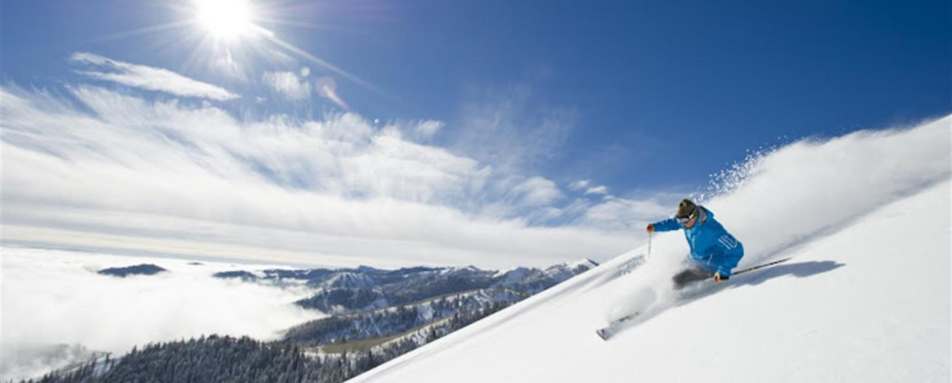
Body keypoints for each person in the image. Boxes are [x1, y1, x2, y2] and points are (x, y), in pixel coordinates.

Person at [647, 199, 744, 289]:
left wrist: (723, 271)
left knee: (677, 279)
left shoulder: (712, 230)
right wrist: (655, 227)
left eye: (684, 221)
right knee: (670, 271)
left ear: (693, 216)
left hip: (710, 264)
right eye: (680, 220)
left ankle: (676, 301)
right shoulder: (686, 221)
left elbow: (737, 249)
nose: (682, 223)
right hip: (695, 258)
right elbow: (673, 223)